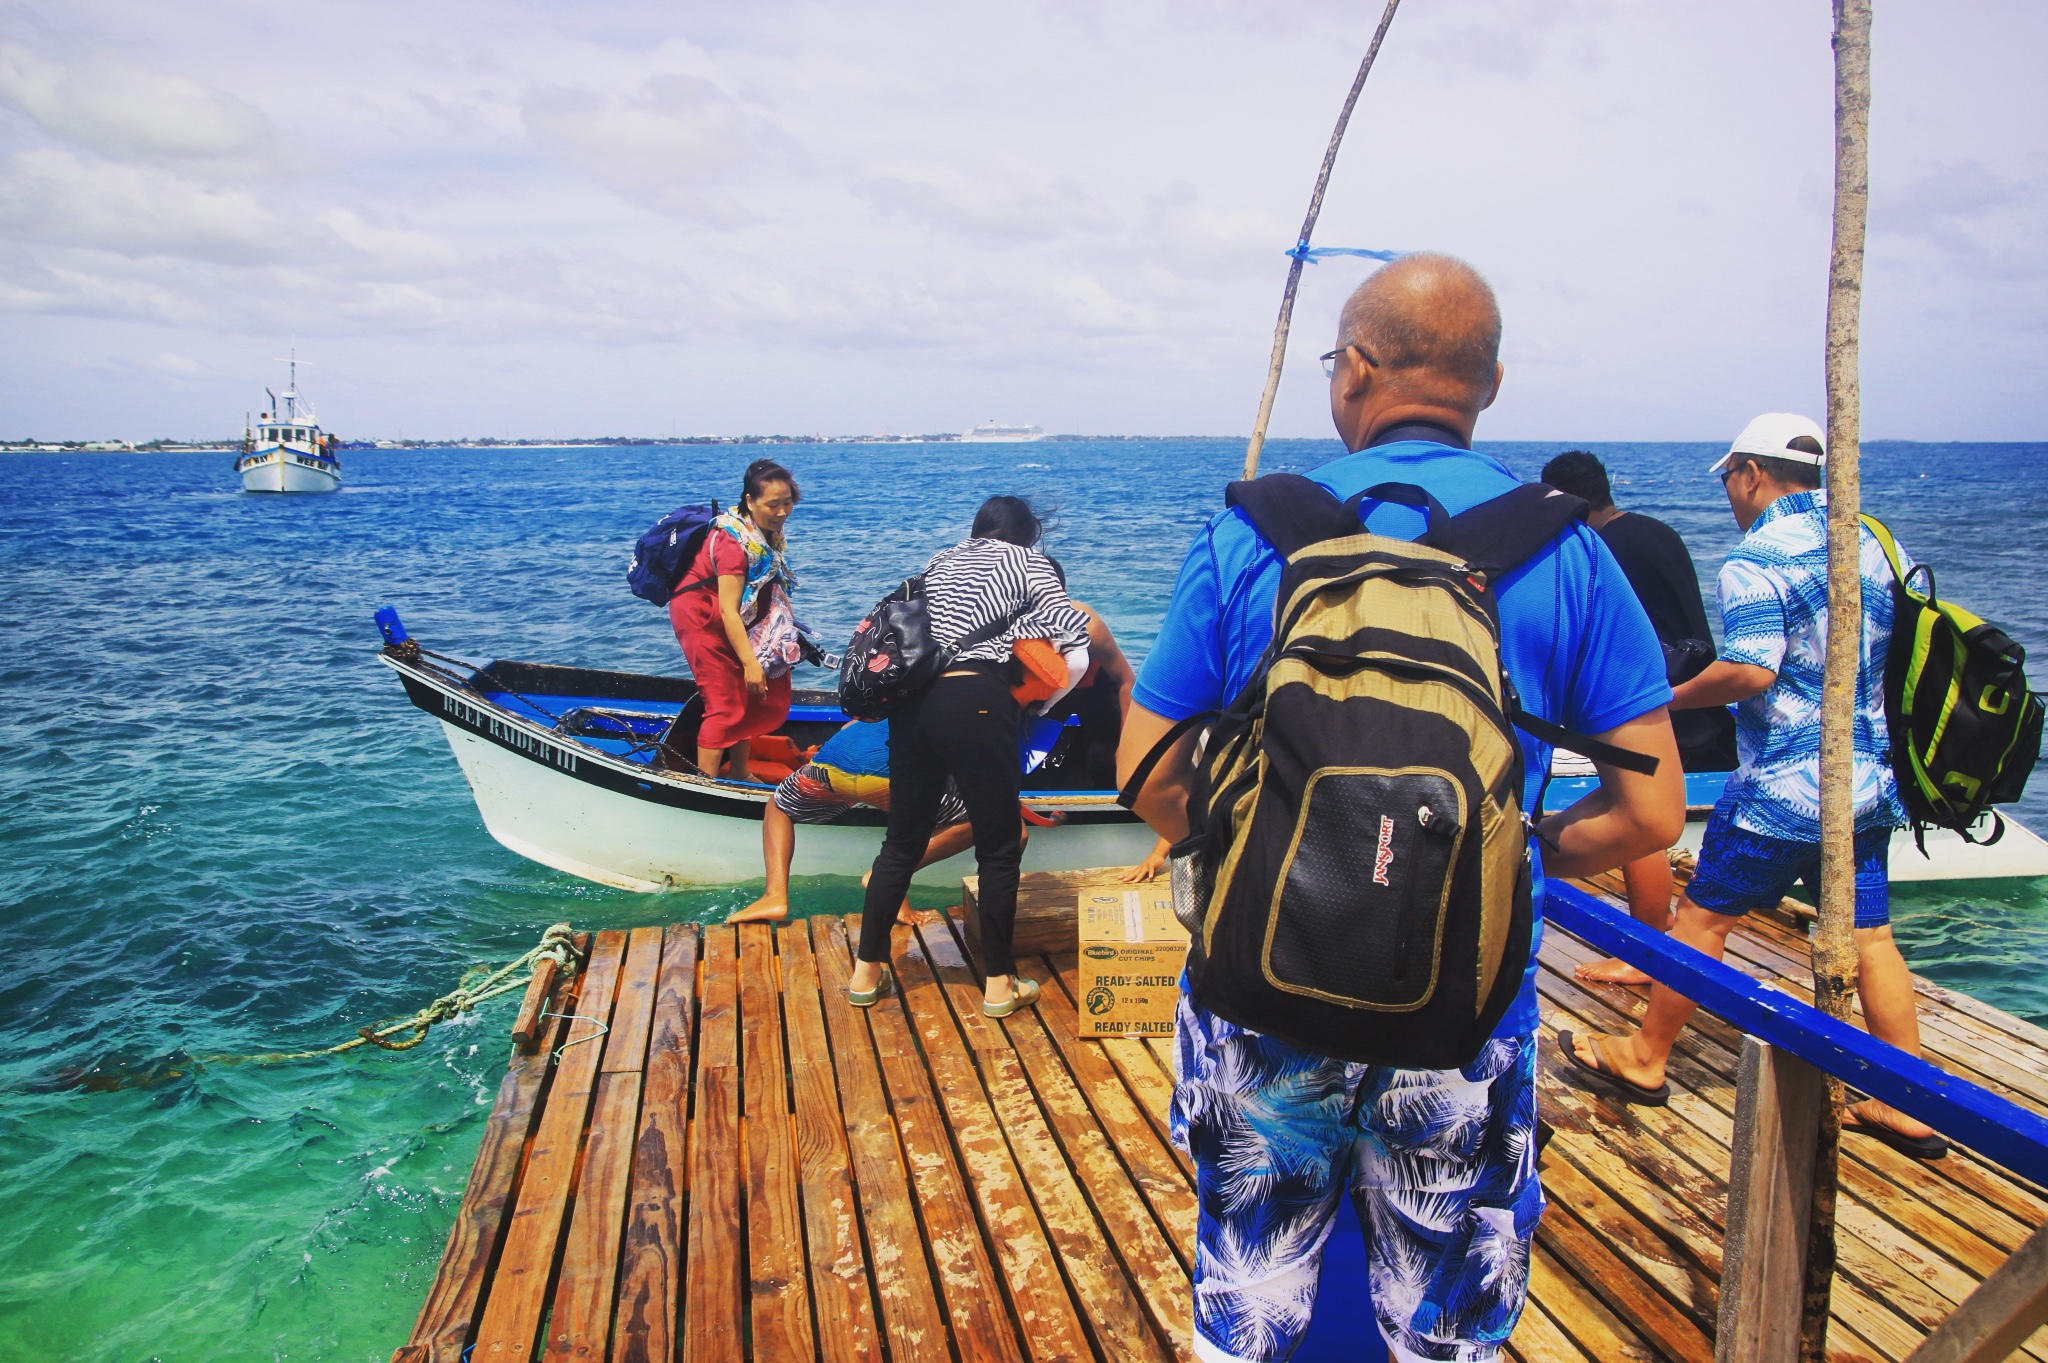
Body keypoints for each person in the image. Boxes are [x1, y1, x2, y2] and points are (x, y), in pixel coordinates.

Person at [1116, 254, 1684, 1363]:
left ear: (1355, 371)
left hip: (1261, 998)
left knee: (1250, 1292)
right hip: (1461, 1011)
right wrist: (1510, 859)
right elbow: (1653, 813)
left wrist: (1257, 854)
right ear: (1492, 382)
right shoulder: (1568, 548)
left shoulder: (1251, 533)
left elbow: (1146, 769)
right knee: (1442, 1322)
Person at [1564, 413, 1946, 1158]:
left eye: (1731, 480)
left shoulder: (1757, 556)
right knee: (1872, 935)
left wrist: (1659, 701)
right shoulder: (1868, 541)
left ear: (1750, 473)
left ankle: (1645, 1057)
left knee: (1702, 921)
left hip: (1782, 789)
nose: (1732, 496)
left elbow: (1750, 670)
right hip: (1864, 781)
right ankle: (1912, 1103)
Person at [845, 496, 1092, 1018]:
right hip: (977, 700)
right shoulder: (1031, 564)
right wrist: (1042, 704)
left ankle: (865, 974)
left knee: (902, 843)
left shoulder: (940, 559)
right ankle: (1000, 987)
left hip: (913, 705)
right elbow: (1075, 643)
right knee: (998, 846)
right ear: (1027, 535)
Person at [1542, 448, 1738, 985]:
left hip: (1656, 700)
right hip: (1699, 694)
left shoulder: (1599, 547)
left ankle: (1646, 948)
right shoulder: (1658, 531)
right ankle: (1661, 932)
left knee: (1638, 824)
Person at [727, 718, 982, 927]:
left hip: (830, 767)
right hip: (889, 777)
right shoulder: (957, 698)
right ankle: (884, 877)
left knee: (779, 805)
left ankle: (775, 896)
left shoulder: (888, 693)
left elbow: (846, 728)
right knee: (983, 820)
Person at [668, 460, 801, 782]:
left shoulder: (765, 531)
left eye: (788, 502)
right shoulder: (732, 542)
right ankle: (704, 785)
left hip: (743, 617)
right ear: (750, 501)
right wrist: (749, 663)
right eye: (773, 504)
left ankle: (740, 770)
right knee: (725, 702)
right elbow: (728, 609)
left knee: (754, 695)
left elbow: (765, 586)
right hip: (703, 618)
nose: (782, 511)